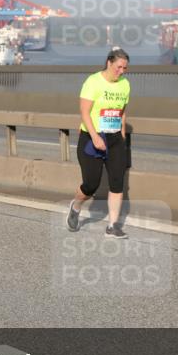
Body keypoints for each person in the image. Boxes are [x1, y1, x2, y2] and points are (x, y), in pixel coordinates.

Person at [66, 47, 131, 238]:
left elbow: (122, 110)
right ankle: (76, 206)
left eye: (125, 68)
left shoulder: (125, 85)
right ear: (109, 63)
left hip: (114, 139)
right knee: (90, 184)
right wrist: (95, 137)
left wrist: (123, 133)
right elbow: (85, 112)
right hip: (91, 138)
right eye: (119, 67)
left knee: (118, 182)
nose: (121, 71)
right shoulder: (93, 82)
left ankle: (113, 226)